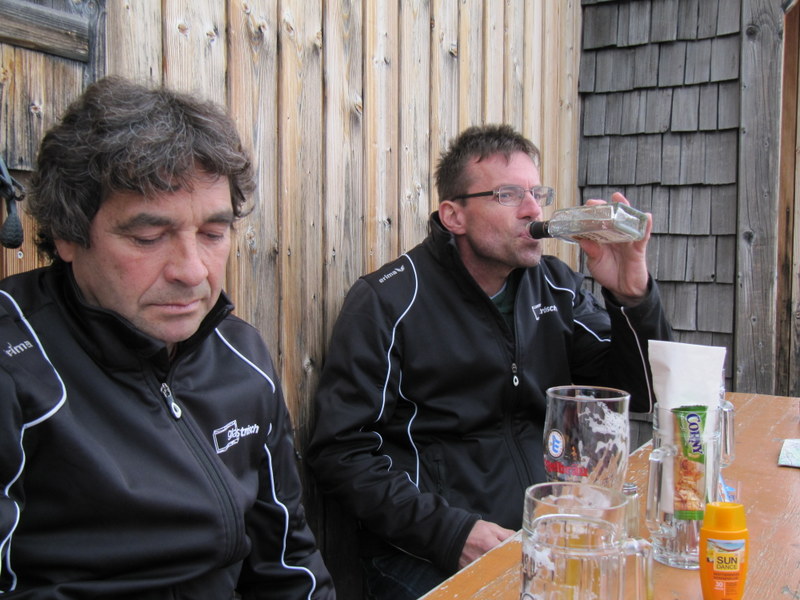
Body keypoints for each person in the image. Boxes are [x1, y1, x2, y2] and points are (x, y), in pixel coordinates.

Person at [0, 76, 335, 599]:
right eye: (149, 237)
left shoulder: (240, 355)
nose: (192, 271)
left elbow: (289, 563)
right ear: (68, 235)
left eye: (213, 234)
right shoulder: (14, 368)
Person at [306, 124, 673, 599]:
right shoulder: (389, 302)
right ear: (454, 216)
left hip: (546, 533)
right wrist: (452, 534)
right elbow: (341, 453)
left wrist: (631, 296)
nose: (533, 210)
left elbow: (636, 394)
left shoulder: (554, 286)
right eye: (508, 195)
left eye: (537, 193)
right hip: (430, 555)